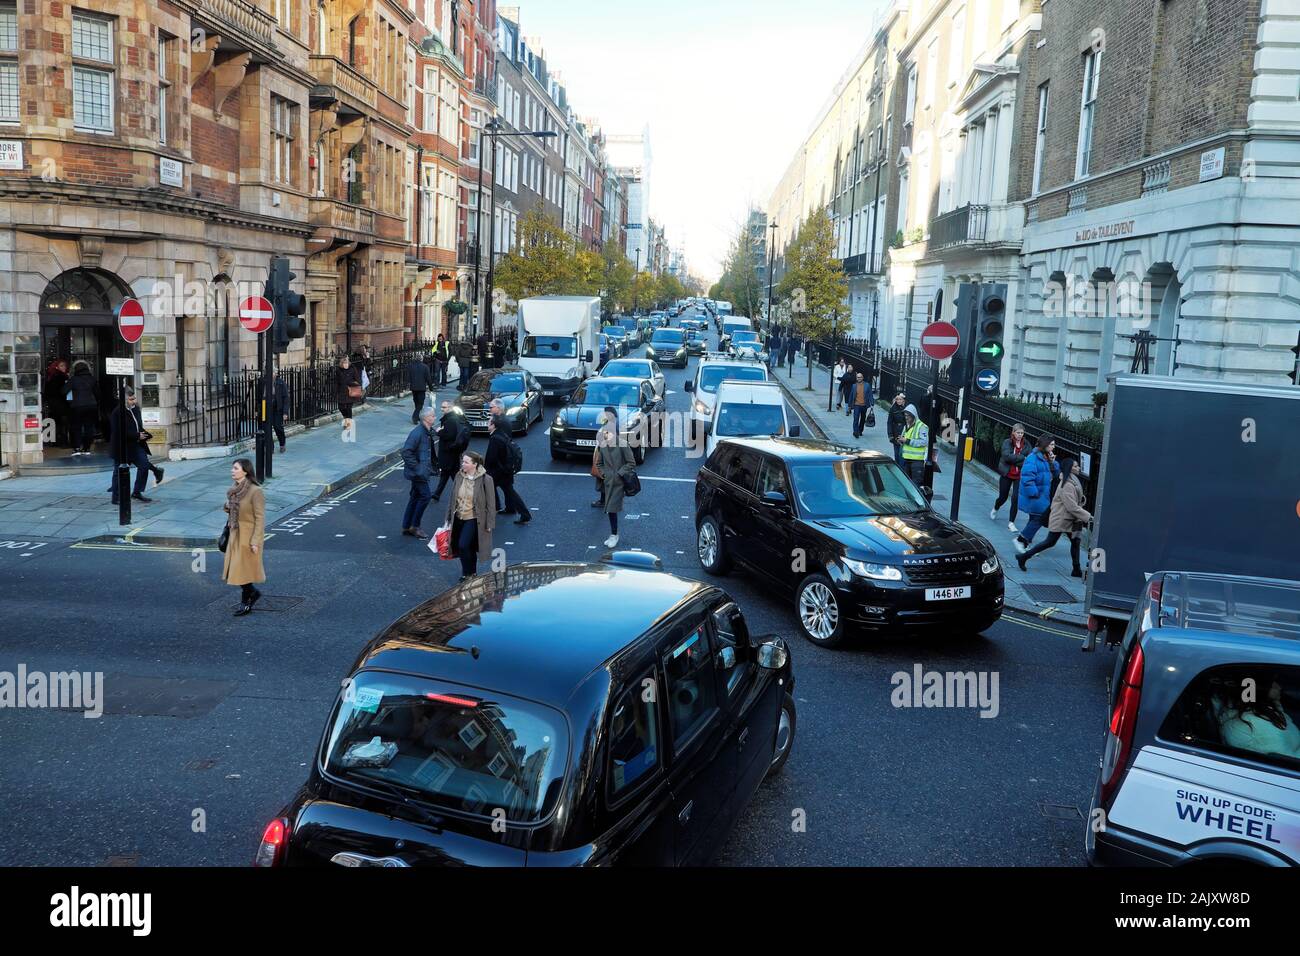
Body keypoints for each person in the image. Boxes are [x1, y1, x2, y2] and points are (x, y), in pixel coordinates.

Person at [1016, 456, 1090, 576]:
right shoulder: (1066, 484)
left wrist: (1081, 501)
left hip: (1073, 520)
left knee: (1075, 542)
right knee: (1050, 542)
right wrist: (1088, 516)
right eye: (1076, 466)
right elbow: (1071, 506)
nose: (1078, 468)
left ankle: (1076, 570)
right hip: (1062, 519)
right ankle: (1023, 557)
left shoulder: (1073, 480)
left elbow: (1075, 501)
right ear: (1069, 469)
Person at [223, 458, 266, 617]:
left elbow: (260, 518)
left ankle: (247, 600)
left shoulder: (255, 491)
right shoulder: (234, 489)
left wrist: (255, 541)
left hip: (248, 536)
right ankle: (251, 594)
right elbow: (233, 510)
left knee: (241, 570)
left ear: (245, 471)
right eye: (232, 468)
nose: (232, 471)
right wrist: (228, 506)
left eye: (235, 468)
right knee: (237, 569)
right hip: (235, 533)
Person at [443, 450, 495, 580]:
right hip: (458, 518)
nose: (463, 464)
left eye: (466, 462)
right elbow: (452, 498)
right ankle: (472, 573)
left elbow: (491, 504)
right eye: (463, 461)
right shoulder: (459, 476)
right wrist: (448, 518)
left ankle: (467, 574)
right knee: (468, 547)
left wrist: (489, 524)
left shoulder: (486, 479)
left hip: (473, 518)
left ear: (475, 464)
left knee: (463, 545)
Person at [108, 388, 164, 504]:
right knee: (118, 471)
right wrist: (136, 435)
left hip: (136, 445)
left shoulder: (136, 410)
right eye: (131, 399)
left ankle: (137, 492)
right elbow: (118, 432)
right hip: (122, 447)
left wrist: (143, 435)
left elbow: (138, 426)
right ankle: (116, 497)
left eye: (134, 398)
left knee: (143, 466)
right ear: (124, 399)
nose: (133, 401)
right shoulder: (117, 413)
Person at [595, 406, 637, 548]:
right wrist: (604, 473)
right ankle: (614, 534)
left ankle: (614, 535)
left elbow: (631, 463)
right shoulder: (603, 446)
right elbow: (599, 463)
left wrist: (619, 473)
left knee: (611, 508)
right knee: (609, 509)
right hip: (608, 482)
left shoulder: (623, 445)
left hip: (619, 482)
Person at [1015, 435, 1059, 550]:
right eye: (1051, 444)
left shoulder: (1047, 457)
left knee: (1034, 519)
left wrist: (1053, 462)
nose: (1053, 447)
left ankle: (1025, 543)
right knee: (1039, 519)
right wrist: (1034, 493)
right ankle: (1021, 539)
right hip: (1036, 496)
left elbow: (1056, 474)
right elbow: (1027, 478)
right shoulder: (1033, 458)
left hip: (1042, 496)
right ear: (1045, 445)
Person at [486, 413, 530, 524]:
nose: (487, 424)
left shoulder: (494, 439)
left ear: (493, 425)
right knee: (509, 491)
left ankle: (524, 514)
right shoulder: (502, 434)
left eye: (489, 422)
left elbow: (491, 458)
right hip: (505, 469)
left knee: (489, 487)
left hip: (499, 472)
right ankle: (511, 509)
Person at [991, 423, 1027, 531]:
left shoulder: (1026, 444)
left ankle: (1011, 522)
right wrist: (1021, 458)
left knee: (1015, 498)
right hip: (1007, 473)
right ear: (1013, 432)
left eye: (1022, 433)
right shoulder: (1007, 442)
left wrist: (1016, 459)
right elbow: (1007, 457)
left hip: (1019, 476)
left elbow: (1028, 458)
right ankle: (996, 507)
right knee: (1003, 497)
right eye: (1018, 432)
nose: (1020, 435)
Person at [433, 400, 468, 501]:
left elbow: (450, 435)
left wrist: (439, 432)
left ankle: (465, 494)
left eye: (445, 407)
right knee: (445, 474)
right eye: (442, 407)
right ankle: (437, 494)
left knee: (454, 475)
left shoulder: (451, 420)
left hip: (449, 453)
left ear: (451, 408)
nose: (442, 409)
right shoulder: (449, 419)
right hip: (450, 453)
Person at [68, 359, 100, 456]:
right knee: (89, 427)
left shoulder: (73, 379)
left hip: (77, 406)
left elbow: (63, 391)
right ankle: (87, 448)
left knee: (76, 427)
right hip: (91, 405)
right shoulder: (92, 379)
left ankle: (77, 448)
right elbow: (98, 394)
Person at [899, 403, 929, 486]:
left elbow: (924, 442)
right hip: (906, 460)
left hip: (917, 461)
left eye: (908, 415)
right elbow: (904, 438)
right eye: (905, 415)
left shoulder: (922, 426)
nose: (906, 417)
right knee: (906, 484)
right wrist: (901, 440)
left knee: (916, 485)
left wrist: (907, 441)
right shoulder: (906, 426)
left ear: (913, 415)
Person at [46, 359, 70, 448]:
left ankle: (54, 441)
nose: (64, 367)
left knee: (56, 423)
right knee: (64, 423)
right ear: (57, 367)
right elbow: (64, 391)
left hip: (53, 403)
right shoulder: (63, 377)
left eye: (65, 365)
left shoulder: (51, 377)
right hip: (61, 403)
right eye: (62, 366)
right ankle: (64, 442)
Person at [336, 354, 362, 434]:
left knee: (348, 408)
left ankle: (348, 424)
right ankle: (345, 418)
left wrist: (351, 383)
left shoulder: (352, 369)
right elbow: (336, 381)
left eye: (346, 362)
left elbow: (358, 380)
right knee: (340, 407)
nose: (345, 364)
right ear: (341, 363)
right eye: (344, 363)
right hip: (341, 391)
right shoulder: (338, 370)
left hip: (350, 391)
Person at [408, 354, 434, 424]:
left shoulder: (411, 366)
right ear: (421, 359)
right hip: (421, 388)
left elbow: (408, 376)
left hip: (413, 387)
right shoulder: (425, 367)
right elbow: (428, 378)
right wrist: (431, 388)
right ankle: (415, 417)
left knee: (416, 402)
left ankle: (418, 416)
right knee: (420, 404)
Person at [850, 371, 874, 438]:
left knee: (863, 419)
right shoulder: (854, 386)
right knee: (856, 418)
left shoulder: (867, 385)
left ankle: (860, 431)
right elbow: (851, 396)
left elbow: (870, 395)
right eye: (858, 377)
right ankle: (855, 432)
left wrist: (872, 403)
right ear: (856, 378)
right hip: (856, 405)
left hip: (864, 405)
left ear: (862, 378)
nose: (859, 378)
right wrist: (850, 405)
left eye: (860, 377)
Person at [886, 392, 908, 466]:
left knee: (903, 454)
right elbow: (889, 422)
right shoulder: (893, 408)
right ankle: (898, 467)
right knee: (897, 454)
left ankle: (902, 469)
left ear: (903, 400)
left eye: (900, 399)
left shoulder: (907, 408)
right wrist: (890, 435)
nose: (898, 401)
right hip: (896, 432)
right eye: (897, 399)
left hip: (905, 432)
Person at [271, 371, 289, 452]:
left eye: (272, 372)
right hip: (267, 409)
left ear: (276, 373)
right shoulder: (264, 382)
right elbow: (259, 396)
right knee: (266, 429)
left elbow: (286, 398)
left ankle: (282, 444)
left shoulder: (281, 383)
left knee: (277, 427)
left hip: (278, 409)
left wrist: (285, 412)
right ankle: (270, 447)